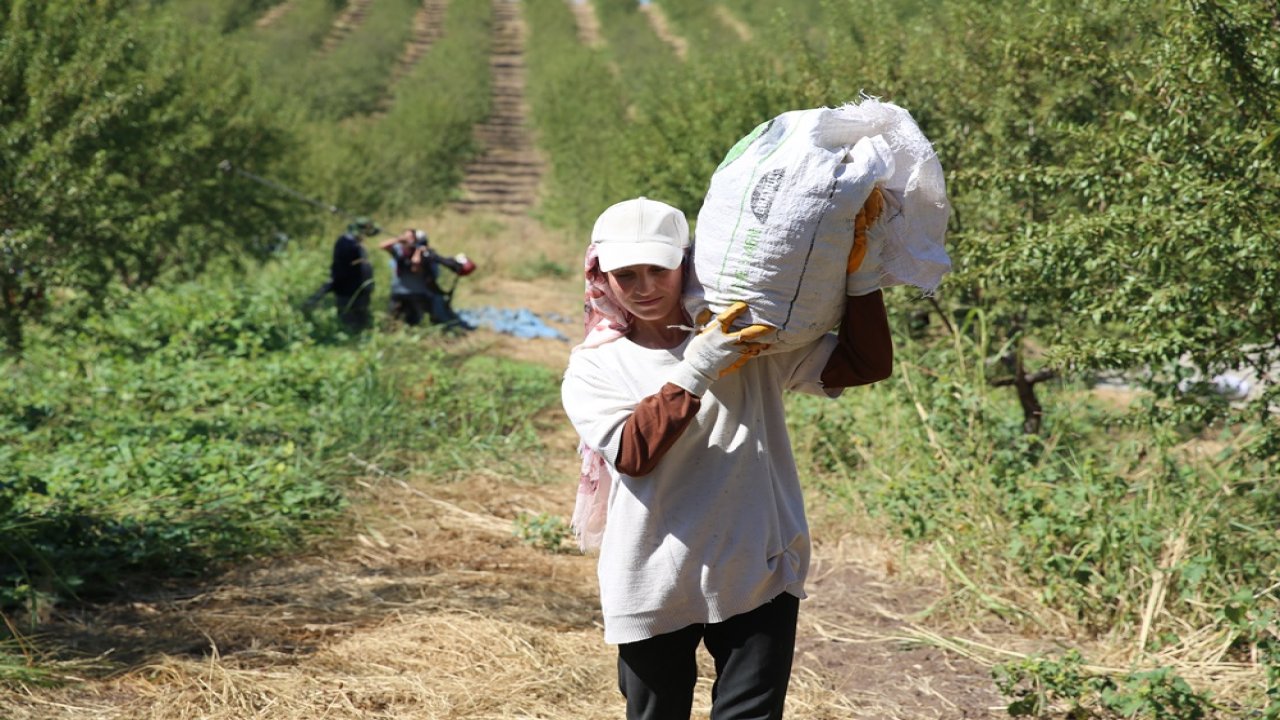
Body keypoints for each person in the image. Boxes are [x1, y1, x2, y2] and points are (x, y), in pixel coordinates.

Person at [560, 196, 894, 720]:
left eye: (658, 269)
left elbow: (865, 363)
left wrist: (860, 276)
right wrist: (697, 368)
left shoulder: (748, 342)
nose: (645, 287)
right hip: (653, 576)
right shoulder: (596, 368)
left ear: (685, 266)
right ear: (602, 275)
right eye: (627, 274)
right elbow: (633, 452)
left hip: (755, 566)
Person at [378, 228, 475, 330]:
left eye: (409, 237)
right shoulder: (399, 250)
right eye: (404, 235)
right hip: (399, 292)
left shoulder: (426, 255)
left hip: (418, 294)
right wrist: (398, 239)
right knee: (391, 319)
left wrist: (418, 251)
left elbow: (416, 266)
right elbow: (383, 246)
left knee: (418, 321)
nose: (406, 238)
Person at [326, 216, 378, 333]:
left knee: (361, 314)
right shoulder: (346, 242)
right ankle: (349, 335)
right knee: (348, 315)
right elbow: (346, 264)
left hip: (360, 287)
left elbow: (374, 232)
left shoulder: (354, 242)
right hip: (347, 287)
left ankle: (360, 334)